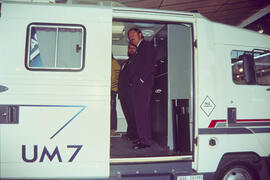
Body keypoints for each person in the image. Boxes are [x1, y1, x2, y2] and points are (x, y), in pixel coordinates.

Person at [128, 28, 156, 149]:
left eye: (133, 34)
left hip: (143, 85)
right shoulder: (138, 49)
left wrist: (141, 79)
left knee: (142, 113)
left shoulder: (146, 45)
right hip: (137, 86)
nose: (131, 37)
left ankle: (145, 141)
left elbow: (150, 64)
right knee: (139, 113)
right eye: (129, 36)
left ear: (140, 34)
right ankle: (142, 138)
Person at [118, 43, 138, 141]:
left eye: (133, 48)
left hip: (131, 93)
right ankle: (130, 133)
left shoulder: (138, 62)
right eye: (129, 48)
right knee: (127, 114)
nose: (131, 50)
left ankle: (135, 135)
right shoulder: (126, 62)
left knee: (132, 114)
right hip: (122, 93)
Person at [111, 54, 120, 136]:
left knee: (112, 110)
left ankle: (112, 129)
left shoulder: (114, 63)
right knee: (111, 109)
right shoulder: (113, 63)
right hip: (110, 89)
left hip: (112, 90)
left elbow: (114, 77)